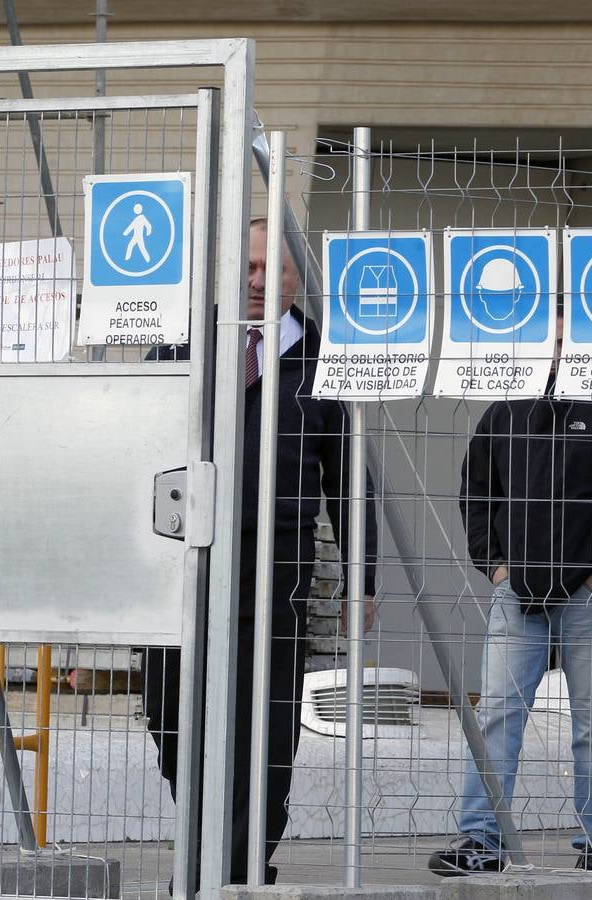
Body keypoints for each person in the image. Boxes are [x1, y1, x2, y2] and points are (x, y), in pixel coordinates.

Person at [142, 218, 377, 886]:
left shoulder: (327, 358)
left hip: (275, 571)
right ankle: (204, 838)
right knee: (170, 712)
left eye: (270, 270)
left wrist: (363, 576)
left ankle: (239, 865)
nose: (255, 281)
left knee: (266, 729)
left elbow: (351, 478)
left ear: (297, 275)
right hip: (178, 569)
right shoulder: (185, 346)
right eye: (245, 267)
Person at [430, 310, 592, 876]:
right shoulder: (506, 410)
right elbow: (476, 492)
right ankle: (481, 843)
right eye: (550, 340)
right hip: (517, 597)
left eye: (570, 339)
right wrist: (494, 567)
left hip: (591, 599)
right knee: (496, 716)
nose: (559, 350)